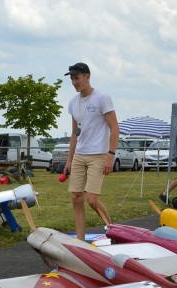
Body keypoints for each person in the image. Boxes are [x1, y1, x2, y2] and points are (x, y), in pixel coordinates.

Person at [64, 62, 118, 239]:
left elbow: (114, 128)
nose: (74, 82)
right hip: (80, 153)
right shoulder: (73, 102)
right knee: (76, 197)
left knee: (92, 200)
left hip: (98, 154)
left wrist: (110, 155)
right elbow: (74, 133)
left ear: (87, 77)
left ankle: (113, 231)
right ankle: (80, 240)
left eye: (77, 78)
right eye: (72, 79)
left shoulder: (102, 97)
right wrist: (69, 160)